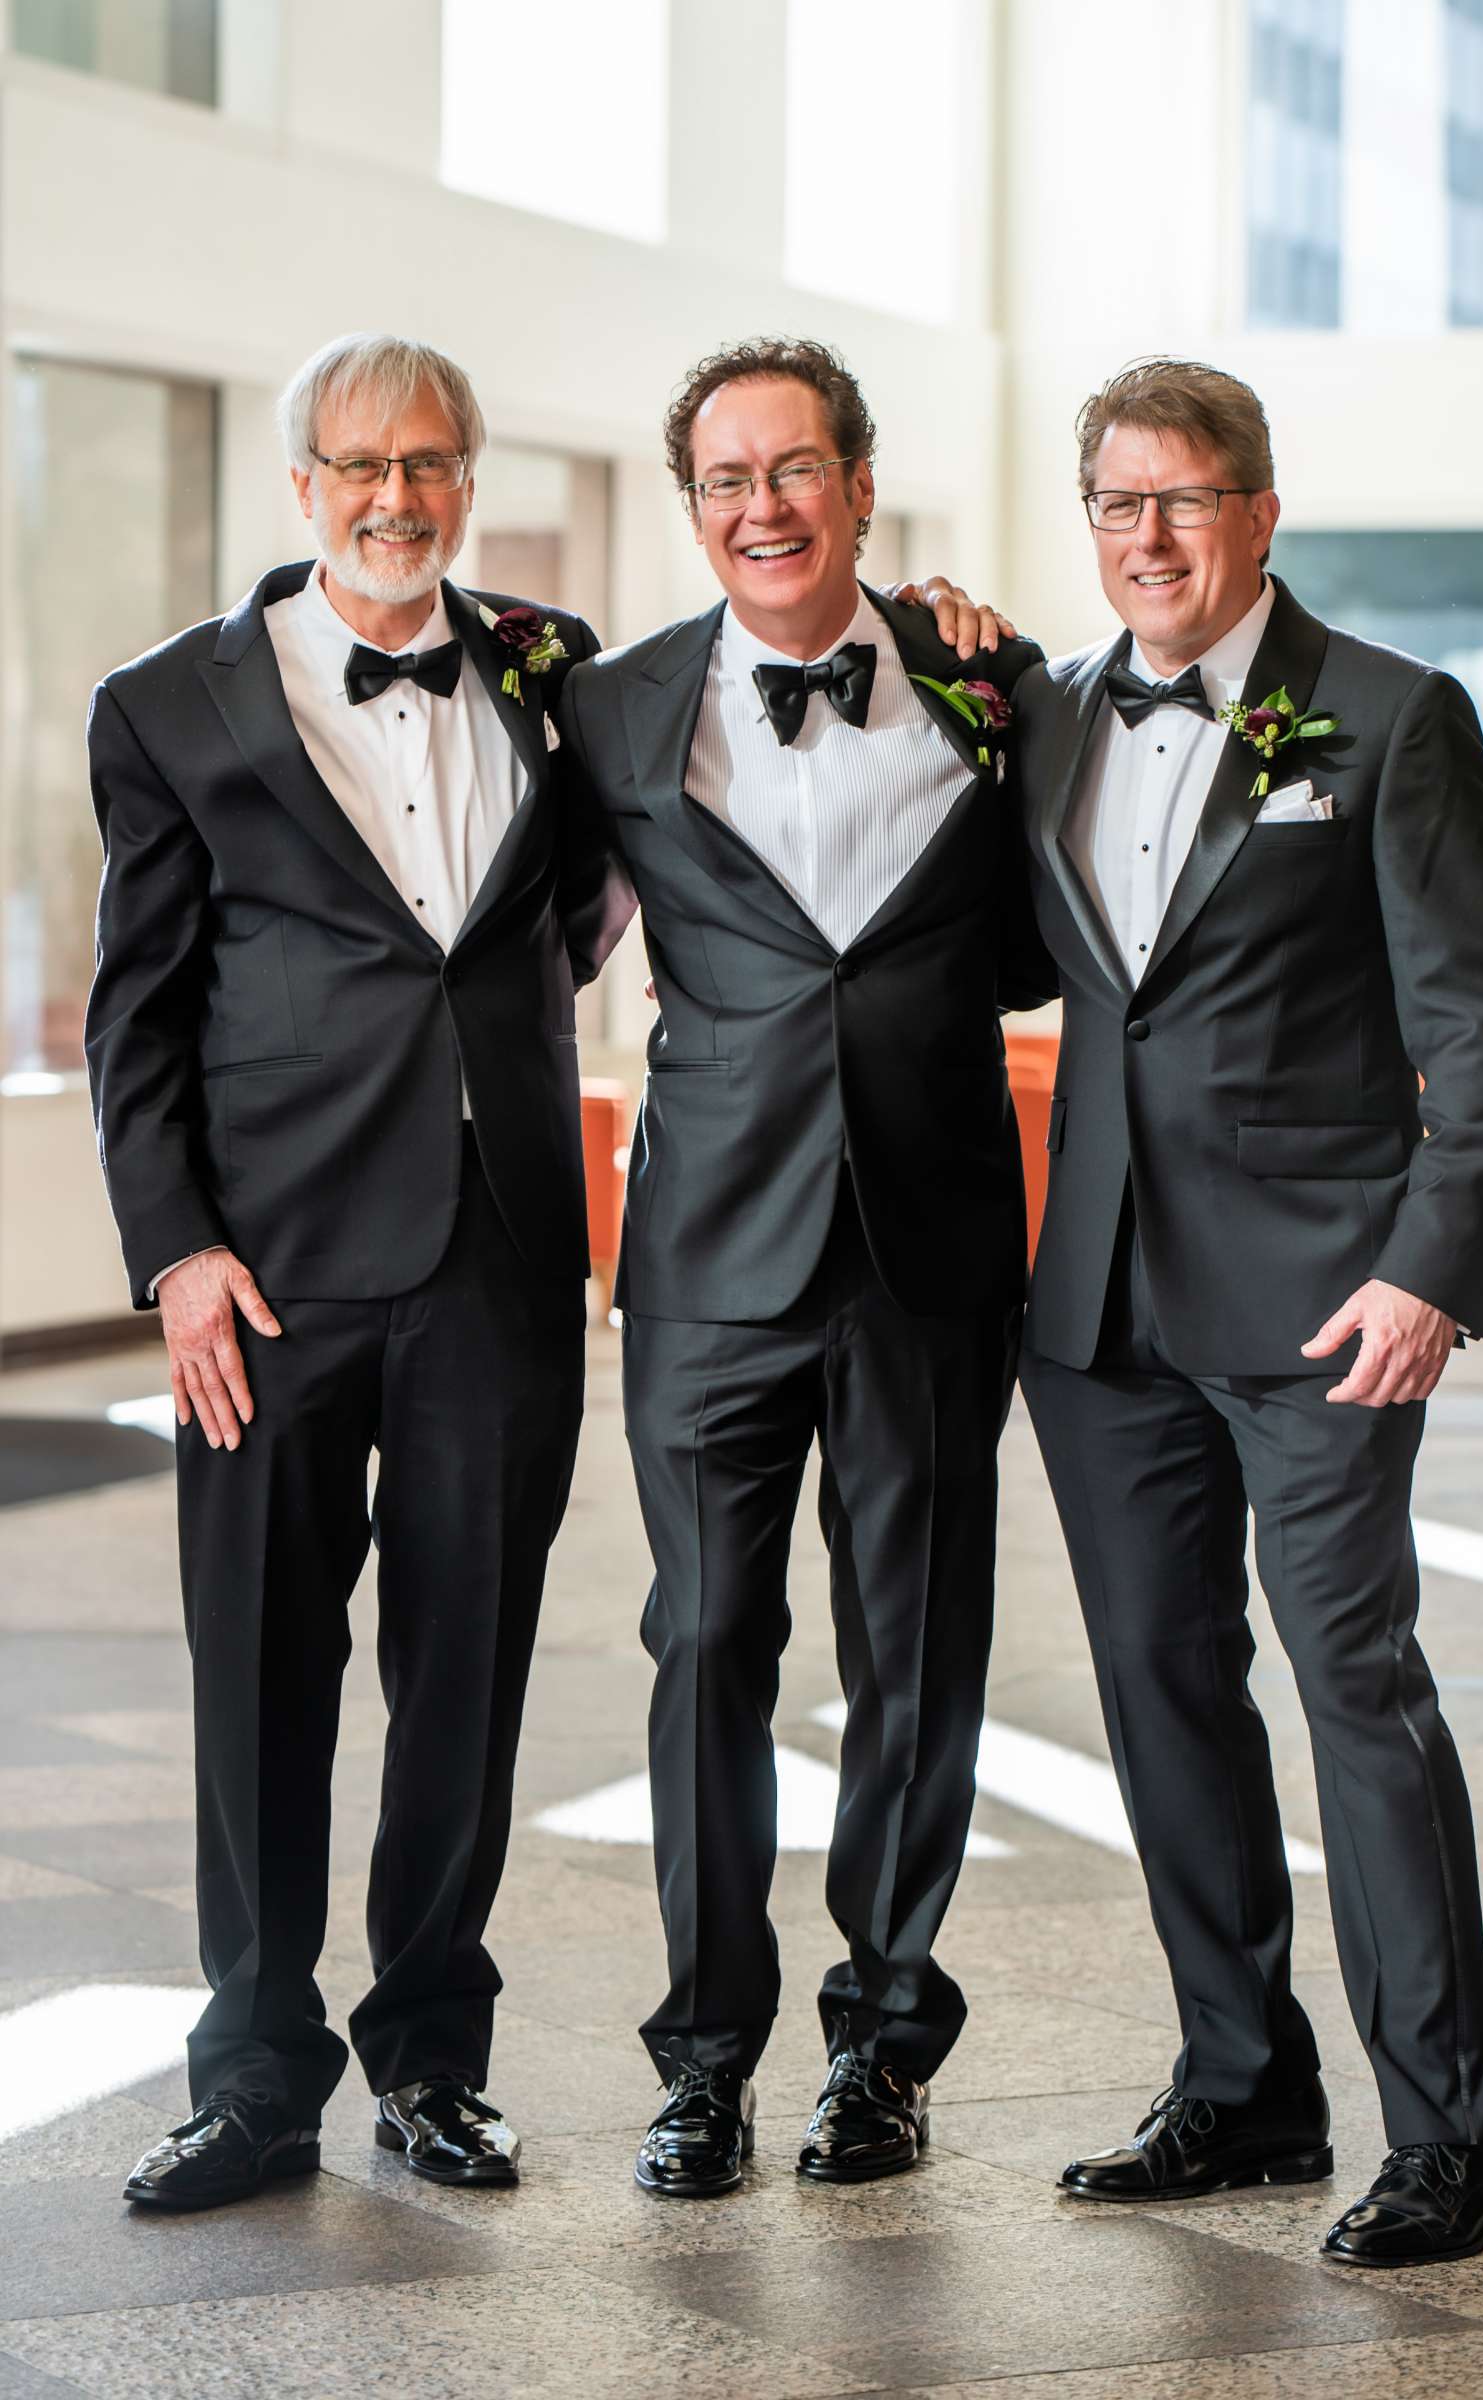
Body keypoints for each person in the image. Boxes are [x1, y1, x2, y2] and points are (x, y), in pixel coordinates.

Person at [86, 331, 634, 2210]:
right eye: (359, 464)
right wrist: (173, 1252)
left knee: (464, 1675)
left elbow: (559, 926)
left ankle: (432, 2058)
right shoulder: (168, 707)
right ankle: (251, 2078)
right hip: (268, 1274)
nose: (396, 496)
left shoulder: (558, 678)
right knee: (257, 1674)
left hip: (496, 1257)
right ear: (301, 483)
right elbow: (137, 1018)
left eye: (430, 462)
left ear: (466, 477)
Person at [1010, 357, 1483, 2267]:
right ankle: (1241, 2087)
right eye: (1111, 502)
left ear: (1255, 509)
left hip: (1324, 1301)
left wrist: (1427, 1271)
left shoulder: (1390, 716)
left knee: (1353, 1691)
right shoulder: (1050, 716)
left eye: (1180, 498)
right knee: (1161, 1693)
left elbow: (1478, 1026)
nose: (1144, 535)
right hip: (1096, 1310)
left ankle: (1449, 2137)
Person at [558, 337, 1050, 2197]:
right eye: (722, 481)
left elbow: (1041, 937)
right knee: (705, 1648)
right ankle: (702, 2060)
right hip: (702, 1254)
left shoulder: (991, 683)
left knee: (916, 1653)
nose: (759, 507)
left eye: (792, 469)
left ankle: (885, 2050)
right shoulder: (603, 714)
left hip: (928, 1247)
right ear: (693, 508)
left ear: (856, 478)